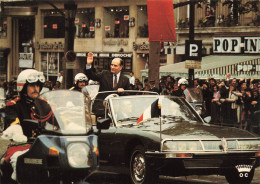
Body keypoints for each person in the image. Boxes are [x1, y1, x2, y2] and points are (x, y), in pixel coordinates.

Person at [2, 69, 55, 182]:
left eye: (38, 85)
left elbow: (57, 122)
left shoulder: (45, 105)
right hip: (22, 145)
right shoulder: (14, 105)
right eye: (32, 85)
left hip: (45, 145)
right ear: (23, 87)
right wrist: (17, 132)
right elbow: (13, 122)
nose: (36, 88)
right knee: (19, 162)